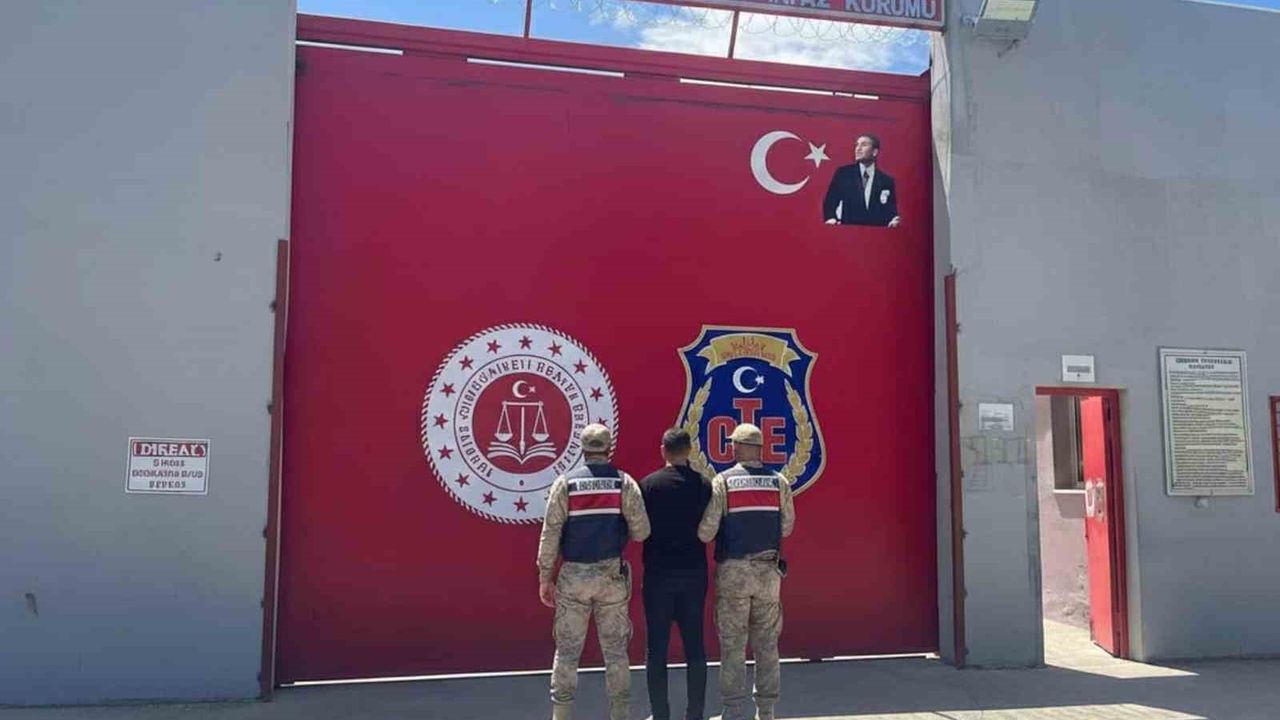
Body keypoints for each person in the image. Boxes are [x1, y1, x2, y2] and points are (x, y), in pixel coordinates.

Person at [537, 424, 651, 720]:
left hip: (573, 577)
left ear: (583, 449)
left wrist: (545, 577)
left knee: (567, 652)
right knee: (616, 653)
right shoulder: (624, 483)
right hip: (611, 577)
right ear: (608, 448)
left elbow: (550, 534)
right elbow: (642, 531)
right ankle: (620, 714)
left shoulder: (565, 484)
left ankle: (561, 714)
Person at [697, 423, 796, 720]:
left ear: (742, 447)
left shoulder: (723, 482)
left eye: (734, 443)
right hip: (768, 574)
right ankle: (766, 711)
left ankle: (732, 712)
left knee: (732, 645)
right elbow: (787, 527)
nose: (732, 447)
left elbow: (706, 531)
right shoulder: (779, 482)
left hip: (734, 573)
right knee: (767, 645)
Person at [639, 429, 713, 720]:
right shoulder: (704, 485)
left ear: (663, 450)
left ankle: (660, 715)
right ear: (689, 450)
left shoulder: (648, 485)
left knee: (656, 650)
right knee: (695, 648)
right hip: (694, 575)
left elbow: (639, 529)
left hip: (658, 576)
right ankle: (695, 714)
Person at [822, 133, 901, 227]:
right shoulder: (844, 174)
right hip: (848, 231)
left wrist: (893, 221)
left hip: (875, 233)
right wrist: (831, 219)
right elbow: (830, 202)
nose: (858, 149)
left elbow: (891, 211)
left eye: (864, 145)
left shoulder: (886, 181)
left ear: (875, 152)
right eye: (857, 145)